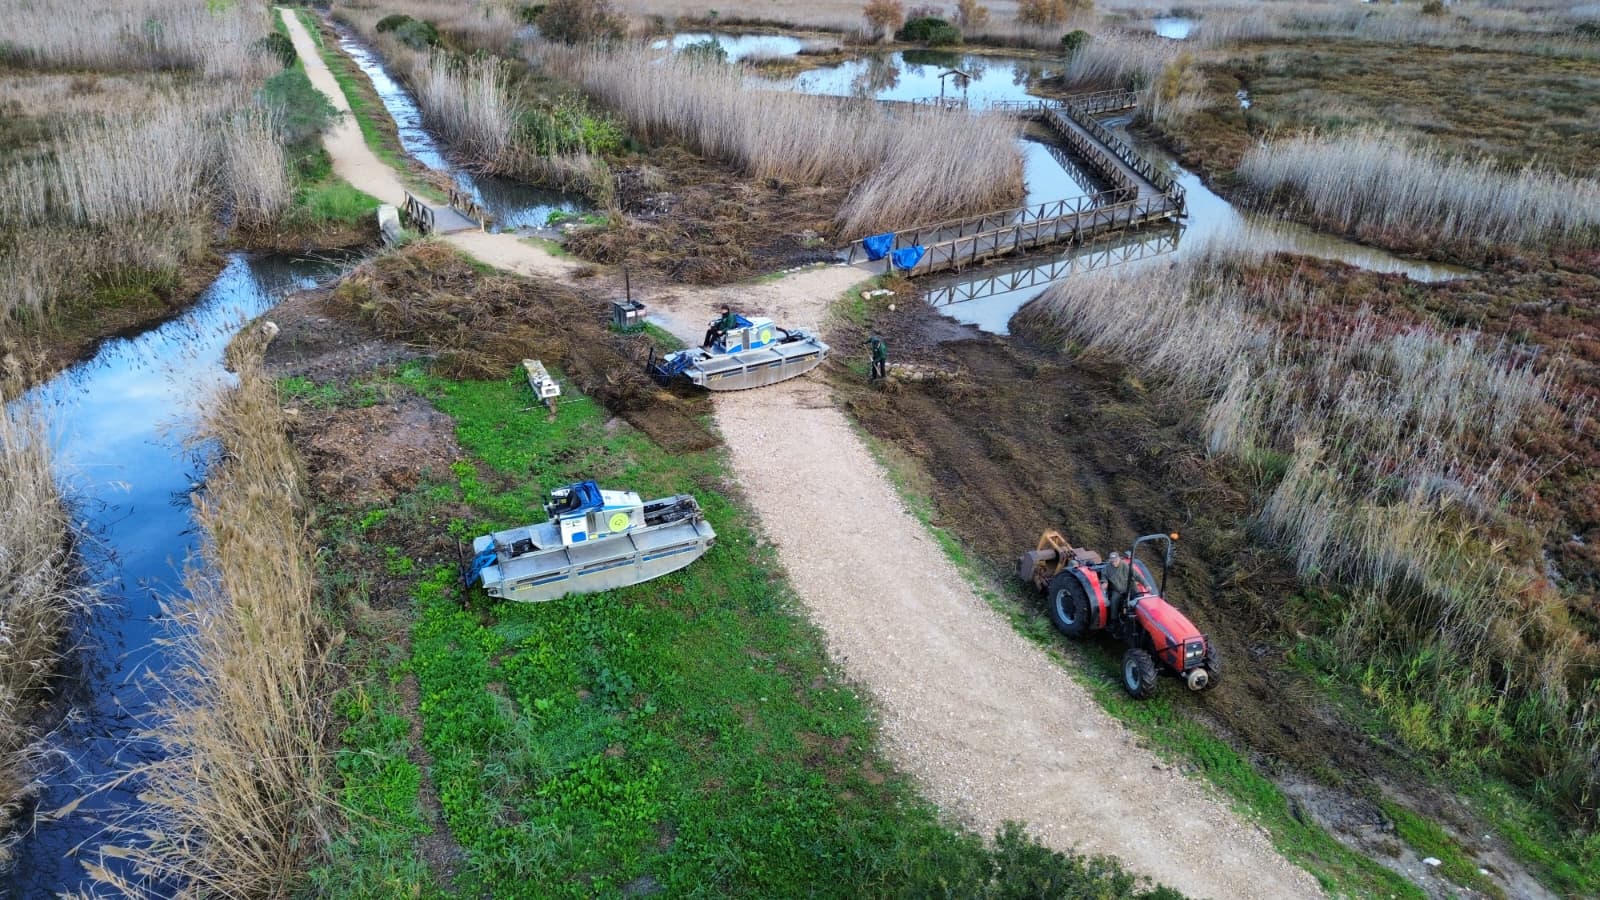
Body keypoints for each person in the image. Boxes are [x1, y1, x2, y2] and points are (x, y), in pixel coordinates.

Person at [1104, 550, 1133, 617]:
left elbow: (1135, 575)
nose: (1114, 563)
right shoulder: (1106, 568)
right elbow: (1103, 577)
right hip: (1117, 590)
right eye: (1112, 561)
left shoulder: (1124, 565)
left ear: (1119, 559)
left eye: (1115, 561)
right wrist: (1104, 582)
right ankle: (1114, 619)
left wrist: (1146, 585)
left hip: (1127, 587)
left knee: (1137, 596)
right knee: (1113, 601)